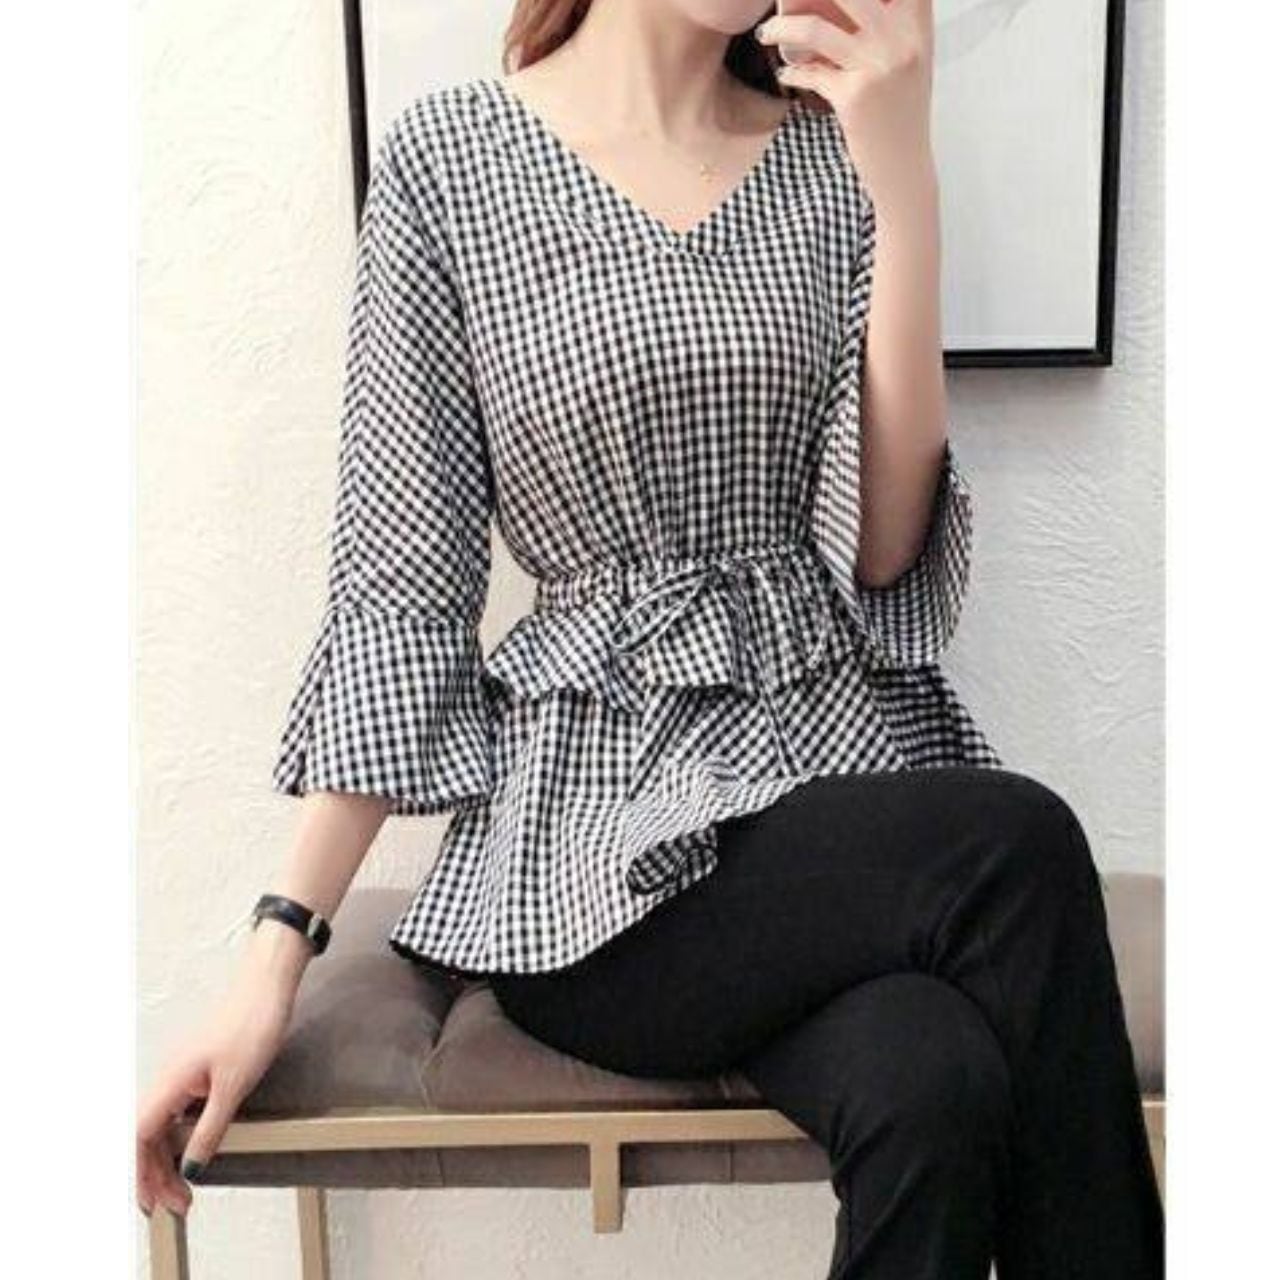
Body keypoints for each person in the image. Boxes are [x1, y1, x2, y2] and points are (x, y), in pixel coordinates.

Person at [137, 2, 1165, 1275]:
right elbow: (400, 592)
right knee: (1013, 843)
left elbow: (881, 547)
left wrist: (902, 176)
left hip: (820, 787)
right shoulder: (448, 163)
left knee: (932, 1079)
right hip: (594, 865)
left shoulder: (829, 154)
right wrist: (275, 948)